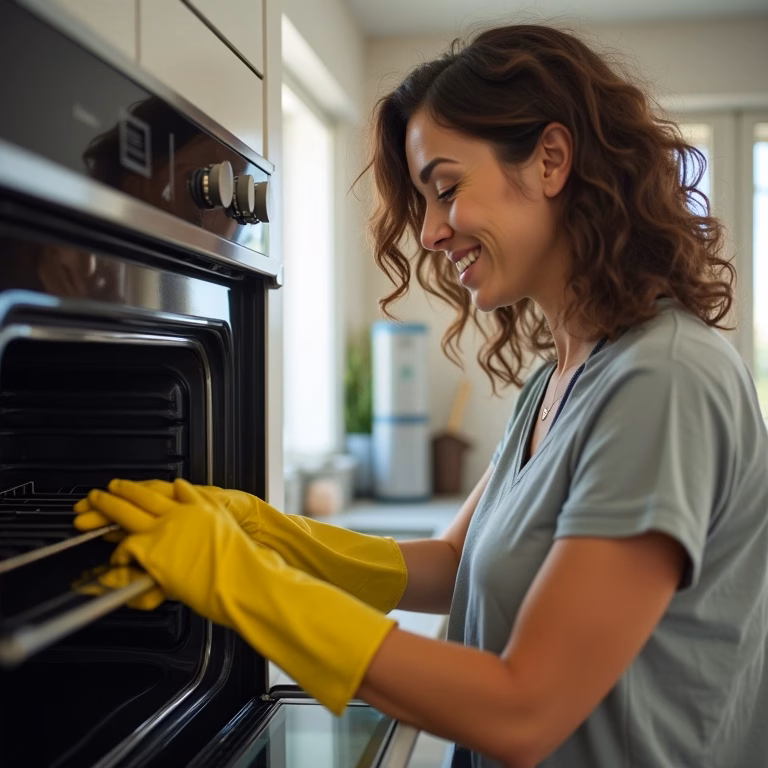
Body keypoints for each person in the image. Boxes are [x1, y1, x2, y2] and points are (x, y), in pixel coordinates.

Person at [73, 24, 768, 768]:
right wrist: (273, 536)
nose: (431, 231)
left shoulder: (663, 379)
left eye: (446, 188)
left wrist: (243, 582)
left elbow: (523, 708)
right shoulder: (560, 378)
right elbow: (453, 560)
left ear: (551, 161)